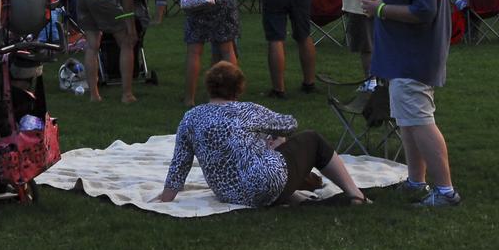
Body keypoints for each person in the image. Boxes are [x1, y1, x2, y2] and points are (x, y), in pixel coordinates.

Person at [152, 61, 371, 207]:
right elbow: (289, 124)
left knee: (263, 146)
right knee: (312, 139)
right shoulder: (247, 110)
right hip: (264, 185)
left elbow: (179, 165)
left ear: (209, 87)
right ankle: (356, 195)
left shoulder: (191, 118)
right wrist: (275, 139)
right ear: (238, 89)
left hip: (230, 195)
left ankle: (295, 195)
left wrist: (166, 200)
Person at [361, 0, 459, 207]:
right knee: (407, 121)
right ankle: (416, 180)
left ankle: (445, 191)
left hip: (413, 56)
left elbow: (423, 10)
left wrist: (379, 9)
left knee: (419, 120)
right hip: (403, 56)